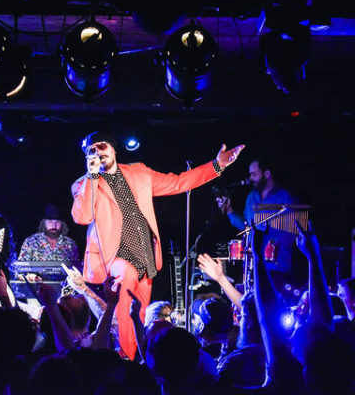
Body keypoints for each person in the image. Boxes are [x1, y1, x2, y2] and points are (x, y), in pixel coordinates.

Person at [71, 131, 245, 360]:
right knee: (126, 284)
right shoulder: (84, 184)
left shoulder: (139, 173)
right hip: (115, 258)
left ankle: (139, 360)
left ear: (113, 149)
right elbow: (82, 216)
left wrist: (216, 166)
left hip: (144, 256)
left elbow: (178, 183)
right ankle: (126, 359)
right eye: (92, 150)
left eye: (102, 146)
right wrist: (92, 176)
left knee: (139, 314)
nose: (98, 152)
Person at [217, 156, 300, 288]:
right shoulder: (252, 197)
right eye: (250, 175)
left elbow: (293, 232)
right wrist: (229, 211)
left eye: (254, 174)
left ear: (266, 174)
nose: (250, 178)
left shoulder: (284, 197)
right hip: (254, 267)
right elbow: (246, 226)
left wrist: (273, 243)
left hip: (277, 268)